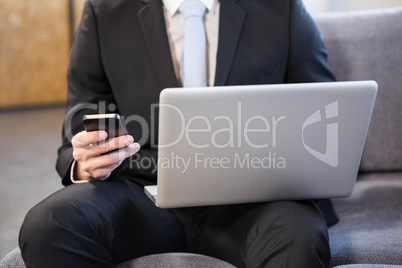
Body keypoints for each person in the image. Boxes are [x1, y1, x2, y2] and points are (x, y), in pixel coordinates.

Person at [19, 0, 339, 267]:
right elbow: (77, 130)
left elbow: (325, 114)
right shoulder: (105, 11)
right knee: (49, 225)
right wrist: (84, 163)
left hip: (253, 199)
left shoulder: (281, 9)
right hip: (141, 193)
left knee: (300, 232)